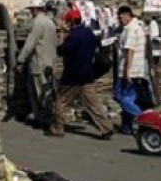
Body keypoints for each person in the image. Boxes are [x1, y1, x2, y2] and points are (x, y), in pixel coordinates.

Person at [47, 9, 114, 139]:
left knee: (61, 101)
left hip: (72, 76)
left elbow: (61, 51)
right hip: (88, 74)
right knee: (93, 103)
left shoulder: (74, 36)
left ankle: (57, 128)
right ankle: (106, 128)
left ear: (71, 21)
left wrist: (61, 34)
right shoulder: (88, 33)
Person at [15, 0, 57, 128]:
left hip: (39, 62)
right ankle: (42, 117)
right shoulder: (50, 22)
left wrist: (20, 59)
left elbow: (30, 43)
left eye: (31, 10)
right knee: (45, 90)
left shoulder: (38, 23)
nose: (30, 12)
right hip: (50, 61)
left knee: (39, 92)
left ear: (35, 9)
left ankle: (45, 119)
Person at [114, 6, 149, 135]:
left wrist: (126, 71)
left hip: (131, 70)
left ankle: (143, 118)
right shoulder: (135, 28)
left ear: (128, 15)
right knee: (129, 97)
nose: (120, 20)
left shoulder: (131, 29)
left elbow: (130, 51)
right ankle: (126, 126)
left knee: (121, 97)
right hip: (136, 69)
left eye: (121, 17)